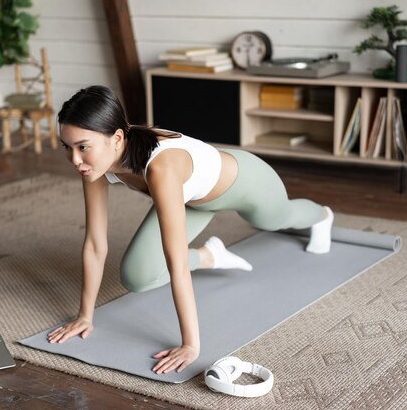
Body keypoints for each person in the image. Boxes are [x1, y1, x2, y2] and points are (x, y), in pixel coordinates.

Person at [47, 85, 333, 375]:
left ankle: (322, 215)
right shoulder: (94, 163)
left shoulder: (162, 168)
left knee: (275, 219)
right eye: (67, 147)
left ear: (117, 137)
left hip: (245, 183)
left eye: (82, 147)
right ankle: (211, 256)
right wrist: (85, 316)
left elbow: (177, 263)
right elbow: (96, 244)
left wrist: (191, 345)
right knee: (137, 277)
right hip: (191, 200)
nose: (75, 160)